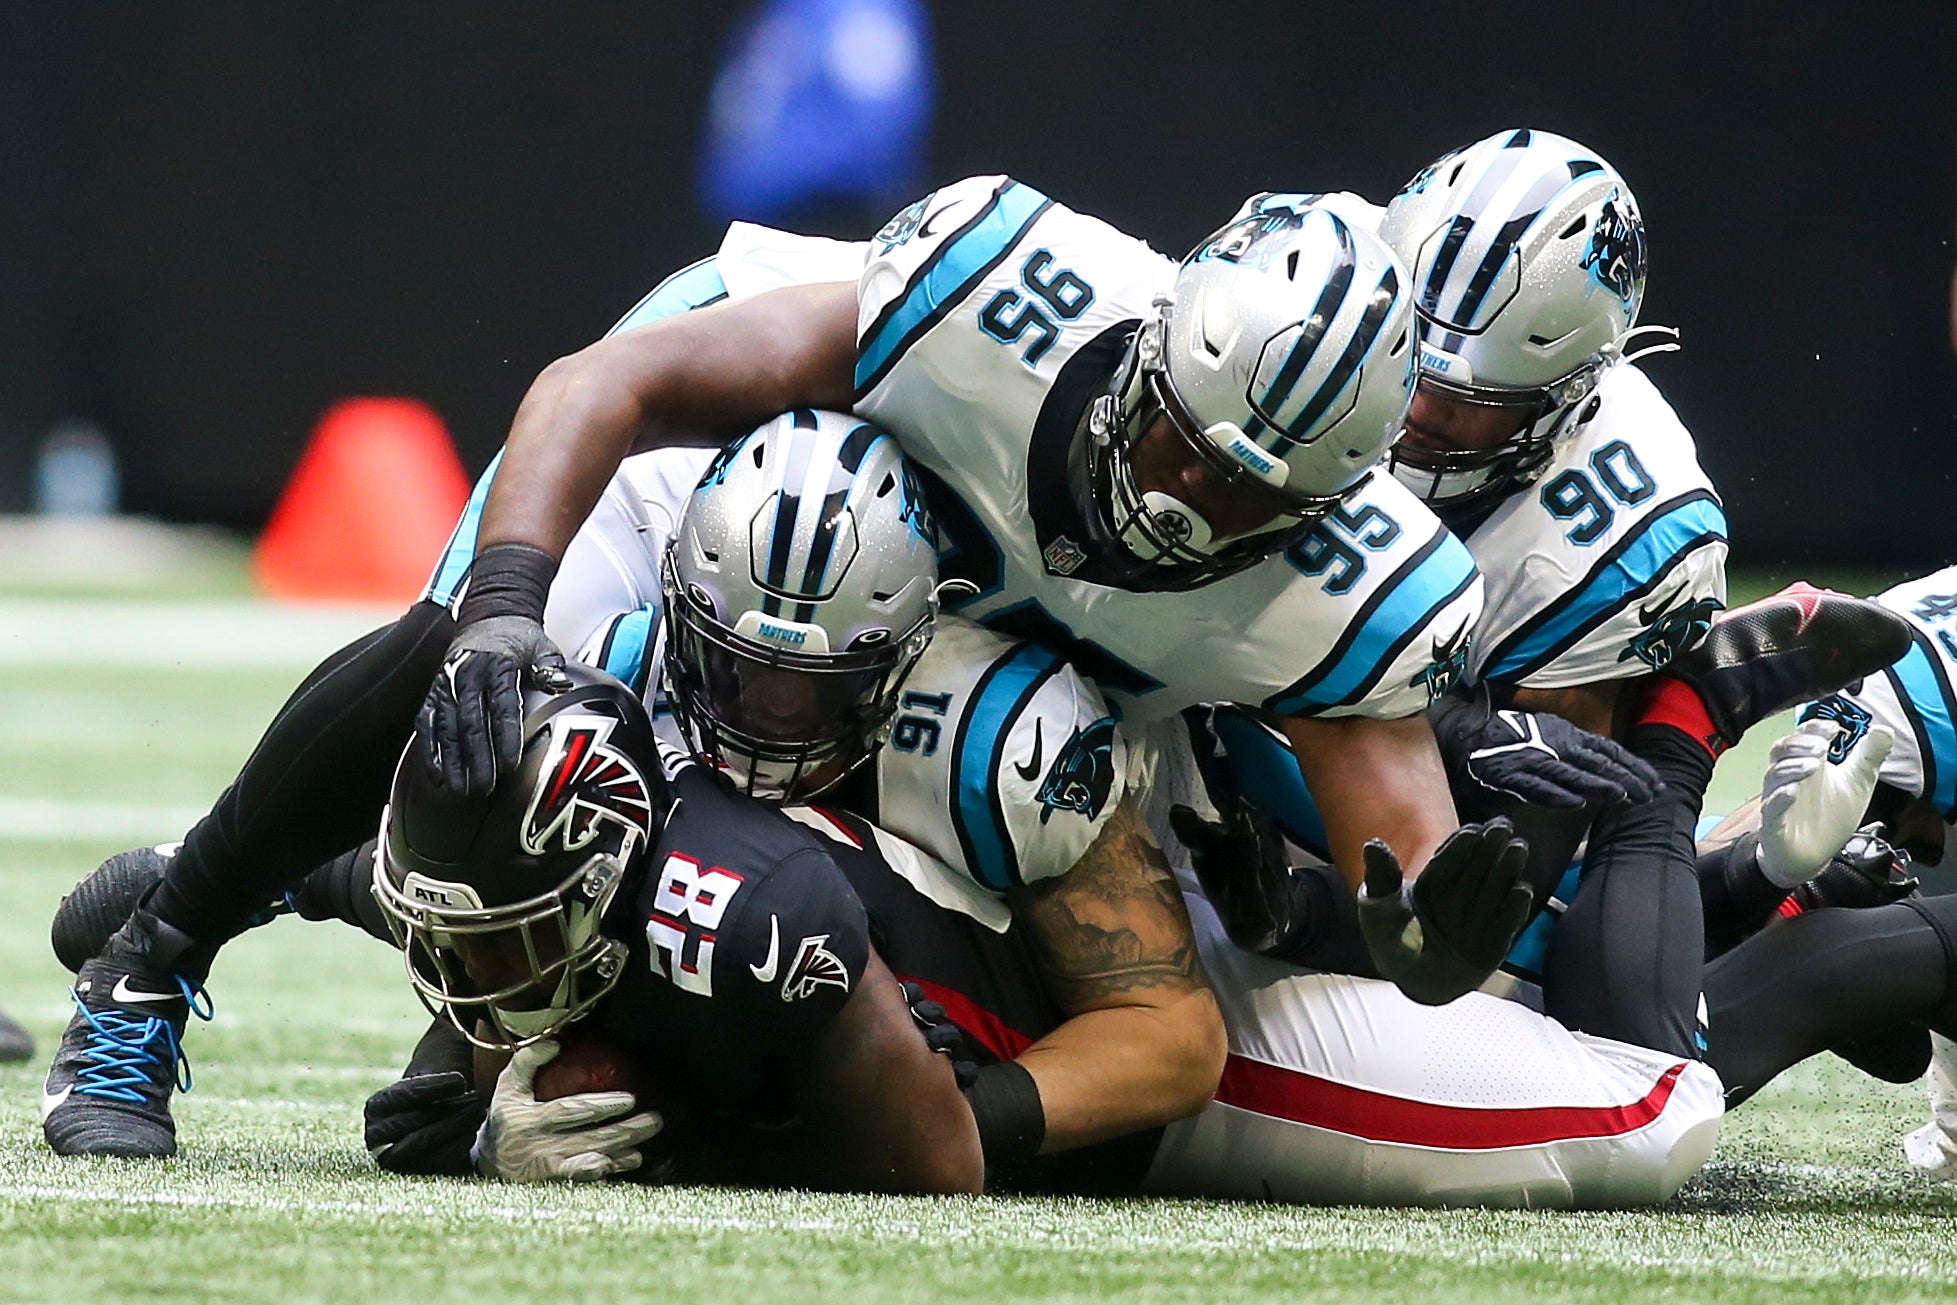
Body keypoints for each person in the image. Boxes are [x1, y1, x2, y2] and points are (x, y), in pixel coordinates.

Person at [42, 178, 1532, 1159]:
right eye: (1178, 446)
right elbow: (613, 387)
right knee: (472, 707)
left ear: (1332, 510)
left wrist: (1434, 950)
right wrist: (506, 606)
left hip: (942, 645)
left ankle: (349, 890)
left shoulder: (1354, 597)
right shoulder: (1000, 289)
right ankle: (156, 957)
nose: (1187, 504)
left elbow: (1407, 888)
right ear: (1149, 354)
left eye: (1248, 502)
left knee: (647, 955)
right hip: (740, 494)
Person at [52, 409, 1232, 1168]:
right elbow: (571, 928)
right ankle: (244, 896)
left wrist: (955, 1117)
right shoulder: (622, 659)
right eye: (738, 669)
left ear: (909, 649)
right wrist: (491, 1085)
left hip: (936, 979)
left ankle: (326, 879)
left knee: (761, 900)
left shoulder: (1002, 732)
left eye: (814, 691)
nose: (769, 717)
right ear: (682, 608)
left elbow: (1172, 1037)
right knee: (512, 762)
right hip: (725, 948)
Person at [1187, 131, 1910, 1071]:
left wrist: (1307, 909)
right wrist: (1460, 723)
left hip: (1396, 768)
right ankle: (1752, 860)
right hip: (1242, 668)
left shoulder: (1620, 515)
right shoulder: (1297, 276)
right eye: (1407, 362)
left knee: (1591, 1036)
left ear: (1570, 395)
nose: (1414, 414)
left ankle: (1683, 722)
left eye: (1465, 402)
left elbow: (1503, 870)